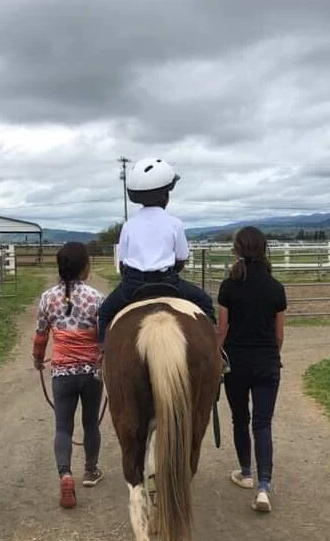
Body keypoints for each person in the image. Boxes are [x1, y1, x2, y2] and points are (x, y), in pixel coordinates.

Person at [97, 157, 216, 345]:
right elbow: (181, 259)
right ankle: (216, 352)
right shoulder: (175, 224)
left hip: (133, 285)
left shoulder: (129, 225)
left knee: (104, 314)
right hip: (169, 282)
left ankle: (101, 357)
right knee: (205, 303)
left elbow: (123, 262)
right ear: (165, 196)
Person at [217, 226, 286, 513]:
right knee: (263, 423)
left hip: (236, 363)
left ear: (237, 250)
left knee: (240, 419)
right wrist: (271, 355)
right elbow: (279, 334)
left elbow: (222, 330)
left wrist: (217, 357)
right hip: (267, 363)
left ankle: (245, 473)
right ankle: (264, 486)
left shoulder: (228, 286)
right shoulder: (275, 287)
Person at [32, 242, 105, 509]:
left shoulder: (47, 298)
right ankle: (91, 470)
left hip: (62, 371)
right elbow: (103, 337)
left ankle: (65, 474)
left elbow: (41, 335)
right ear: (85, 266)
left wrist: (38, 359)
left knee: (63, 427)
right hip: (91, 372)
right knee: (90, 423)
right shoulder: (97, 298)